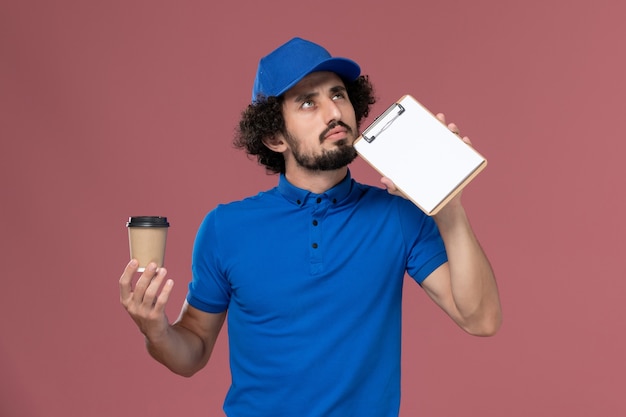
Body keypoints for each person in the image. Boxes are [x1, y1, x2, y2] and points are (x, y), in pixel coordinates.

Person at [119, 37, 502, 417]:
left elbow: (480, 319)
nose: (333, 113)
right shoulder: (224, 228)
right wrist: (155, 330)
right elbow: (194, 349)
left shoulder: (398, 216)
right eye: (308, 102)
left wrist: (448, 207)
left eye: (338, 95)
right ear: (274, 136)